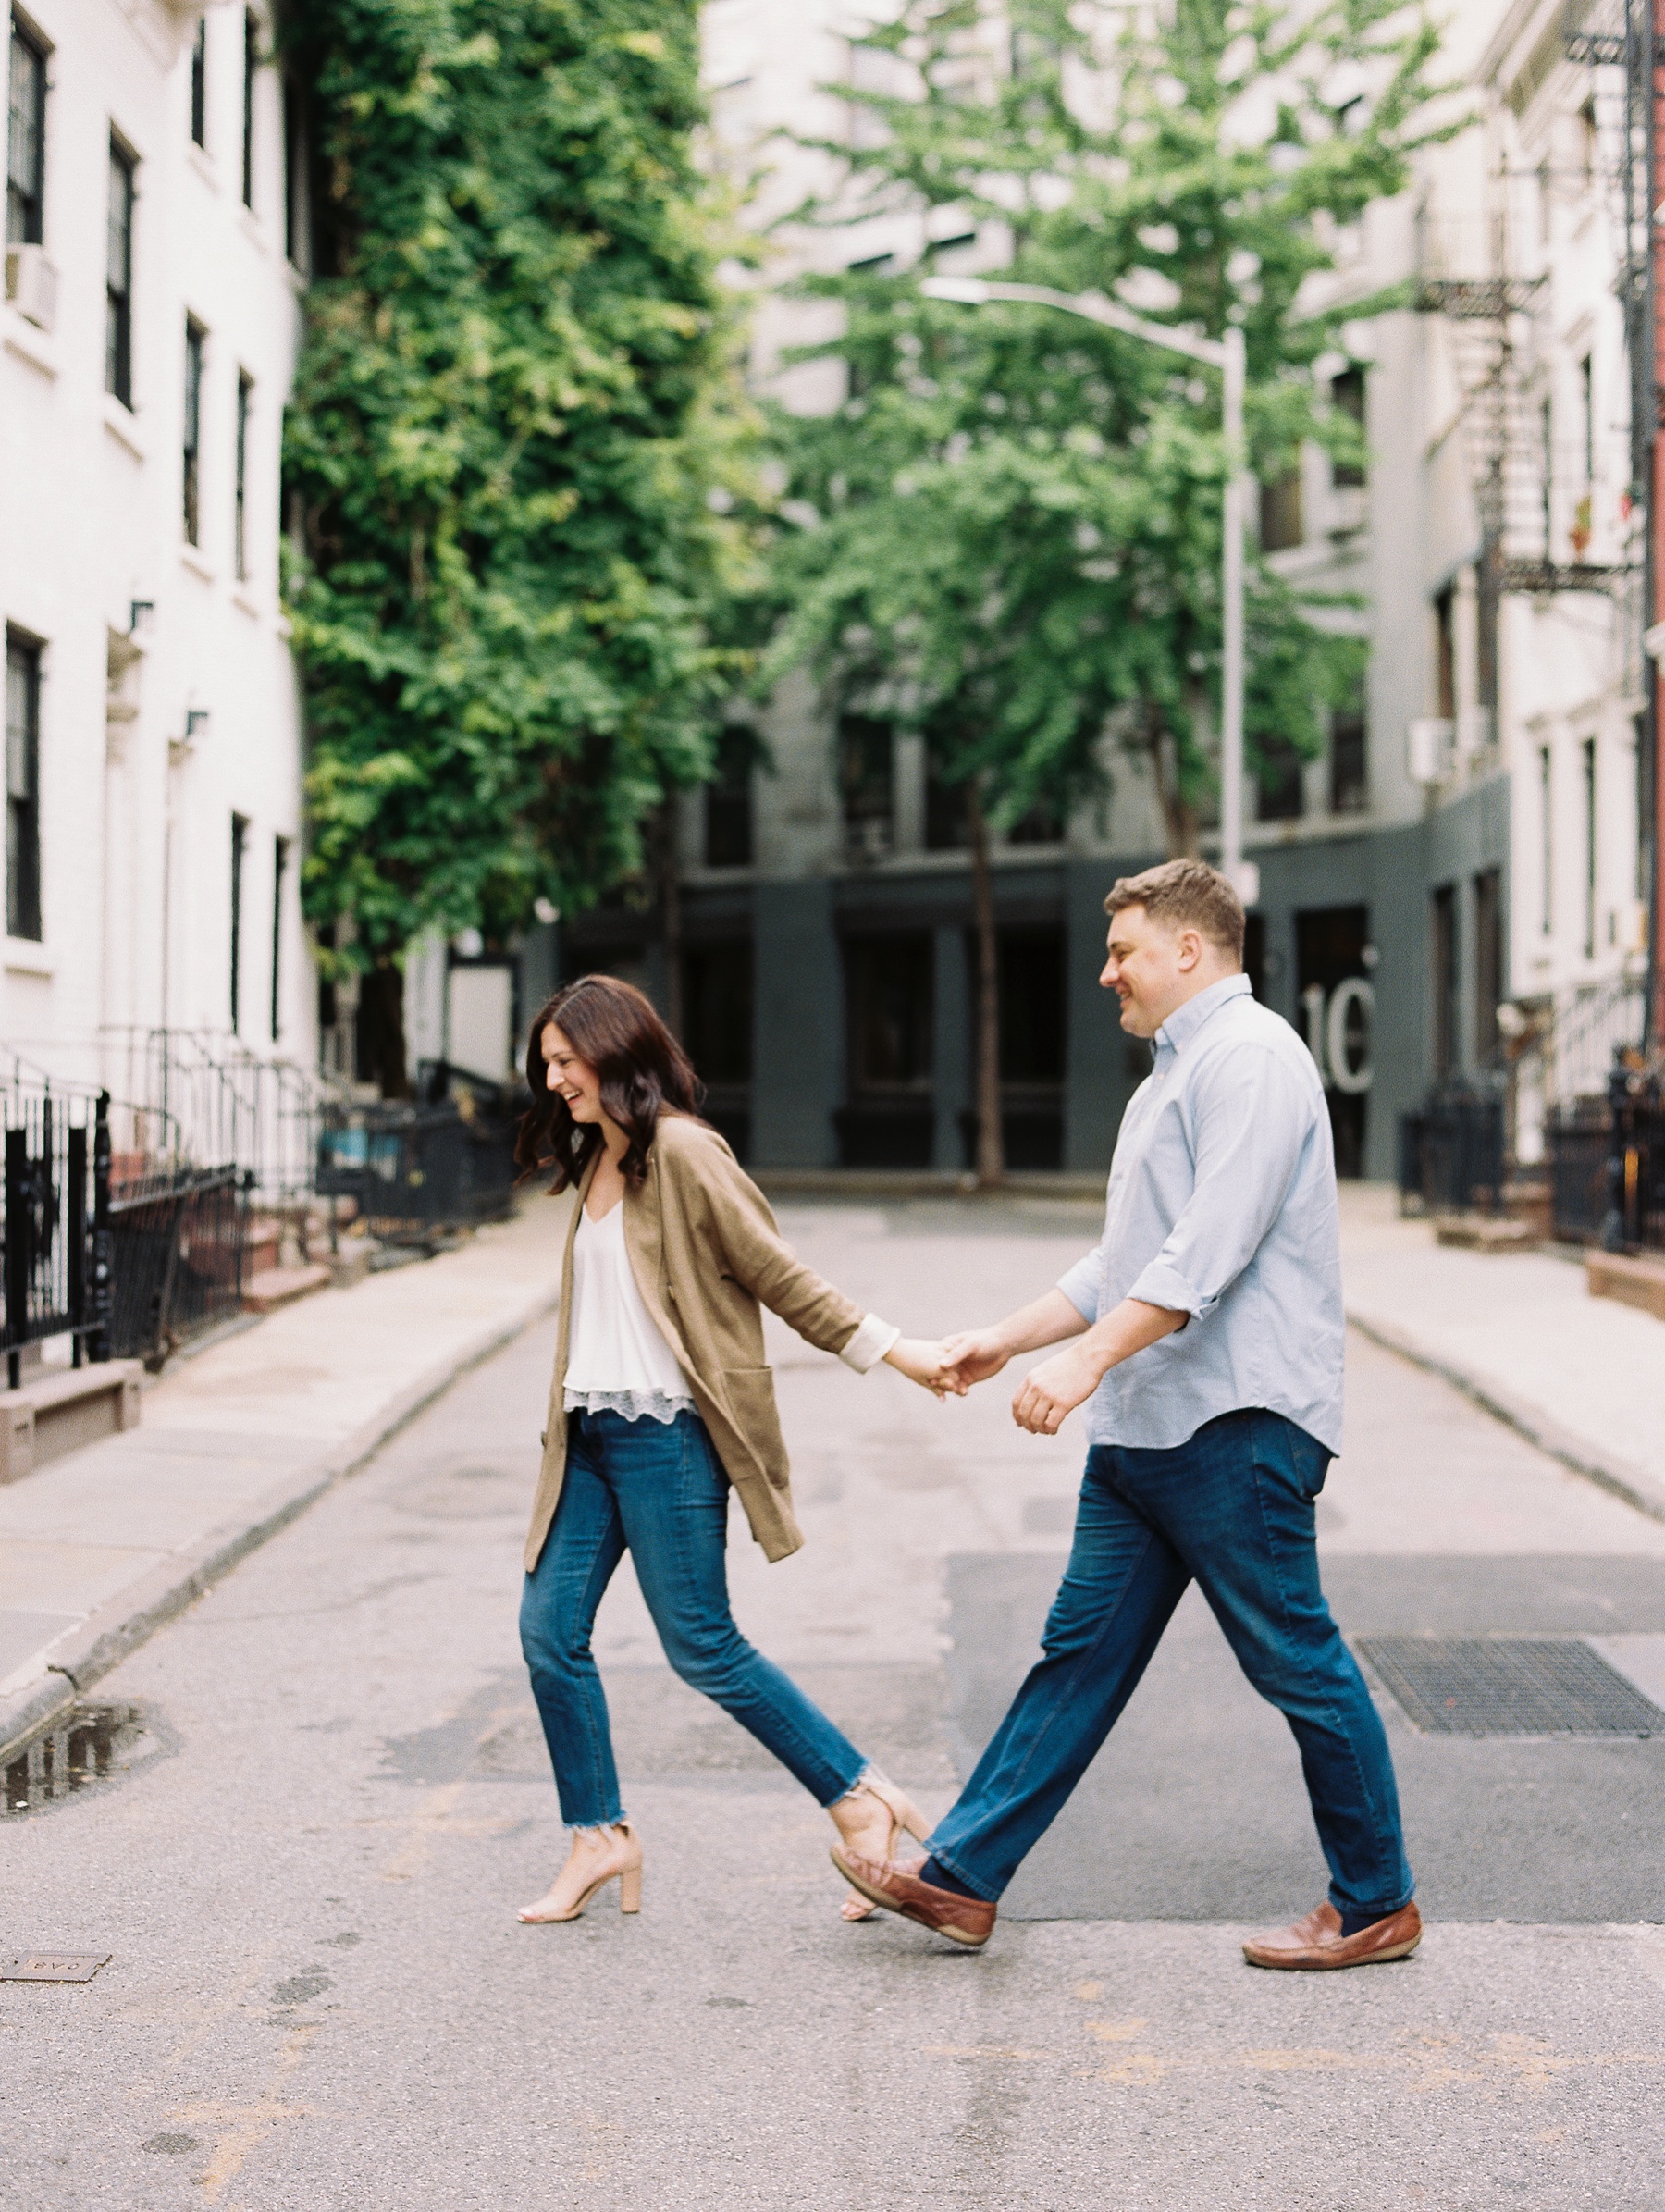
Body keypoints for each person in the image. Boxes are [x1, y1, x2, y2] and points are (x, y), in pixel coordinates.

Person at [832, 859, 1420, 1970]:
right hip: (1152, 1430)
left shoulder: (1249, 1060)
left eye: (1124, 951)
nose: (1107, 974)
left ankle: (1377, 1900)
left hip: (1233, 1422)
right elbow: (1127, 1259)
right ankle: (959, 1879)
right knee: (1078, 1658)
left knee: (1296, 1661)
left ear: (1189, 951)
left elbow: (1210, 1248)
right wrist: (1006, 1339)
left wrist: (1088, 1364)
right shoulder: (1171, 1076)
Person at [514, 973, 953, 1925]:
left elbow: (781, 1277)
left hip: (667, 1439)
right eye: (545, 1066)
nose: (553, 1082)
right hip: (589, 1436)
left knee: (703, 1648)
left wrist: (900, 1352)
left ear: (615, 1051)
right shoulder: (599, 1157)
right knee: (548, 1634)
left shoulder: (681, 1153)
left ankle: (859, 1798)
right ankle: (599, 1835)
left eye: (565, 1061)